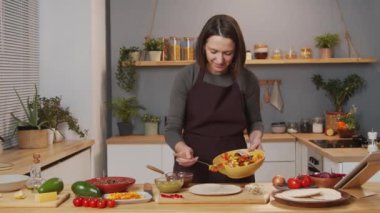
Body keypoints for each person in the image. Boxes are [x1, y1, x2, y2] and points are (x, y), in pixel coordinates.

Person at [164, 14, 263, 183]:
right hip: (193, 167)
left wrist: (256, 137)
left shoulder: (248, 79)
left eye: (227, 53)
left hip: (236, 168)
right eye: (213, 52)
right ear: (203, 46)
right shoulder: (186, 76)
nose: (219, 60)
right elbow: (172, 129)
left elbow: (255, 121)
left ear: (237, 51)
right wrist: (181, 148)